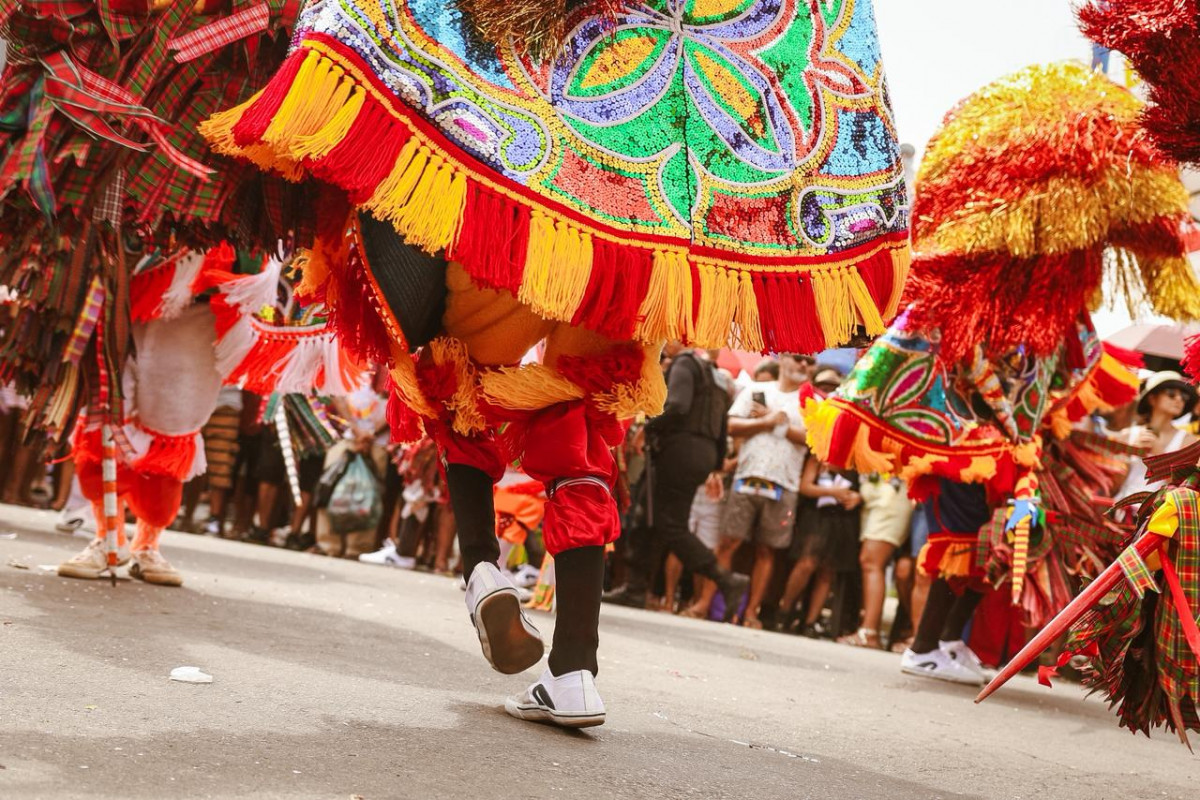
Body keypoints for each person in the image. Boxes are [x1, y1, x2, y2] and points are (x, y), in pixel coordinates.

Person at [204, 0, 910, 728]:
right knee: (581, 449)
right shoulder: (675, 30)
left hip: (509, 222)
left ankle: (482, 572)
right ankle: (575, 672)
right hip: (617, 247)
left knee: (455, 395)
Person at [607, 343, 745, 614]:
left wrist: (648, 427)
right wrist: (715, 463)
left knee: (668, 524)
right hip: (701, 455)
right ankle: (635, 589)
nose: (663, 341)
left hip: (678, 451)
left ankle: (725, 578)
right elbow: (722, 426)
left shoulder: (684, 363)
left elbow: (678, 405)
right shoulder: (716, 376)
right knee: (650, 517)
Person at [708, 354, 812, 628]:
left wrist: (779, 423)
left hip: (784, 483)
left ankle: (751, 612)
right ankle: (706, 605)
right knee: (728, 543)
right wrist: (766, 423)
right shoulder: (756, 390)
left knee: (767, 550)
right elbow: (730, 425)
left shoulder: (812, 401)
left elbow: (814, 439)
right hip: (747, 475)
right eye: (799, 358)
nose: (804, 365)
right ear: (783, 360)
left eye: (809, 361)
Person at [840, 474, 912, 648]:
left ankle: (869, 632)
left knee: (871, 562)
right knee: (869, 563)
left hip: (891, 495)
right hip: (873, 493)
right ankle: (868, 629)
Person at [1114, 371, 1197, 501]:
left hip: (1158, 517)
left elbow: (1184, 487)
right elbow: (1112, 484)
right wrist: (1128, 455)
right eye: (1171, 393)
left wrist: (1159, 454)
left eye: (1184, 396)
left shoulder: (1188, 440)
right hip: (1119, 509)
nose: (1179, 399)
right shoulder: (1128, 435)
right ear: (1152, 399)